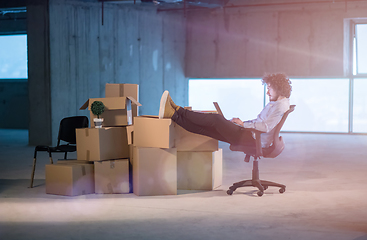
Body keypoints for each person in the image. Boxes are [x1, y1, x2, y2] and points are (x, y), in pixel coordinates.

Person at [158, 73, 292, 149]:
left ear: (278, 88)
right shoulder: (278, 103)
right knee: (207, 129)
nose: (267, 92)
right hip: (250, 135)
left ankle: (178, 110)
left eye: (269, 88)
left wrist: (243, 124)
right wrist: (241, 123)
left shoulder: (280, 106)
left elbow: (265, 127)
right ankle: (174, 114)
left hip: (252, 139)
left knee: (216, 119)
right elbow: (261, 122)